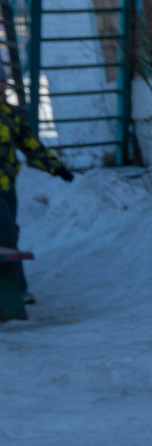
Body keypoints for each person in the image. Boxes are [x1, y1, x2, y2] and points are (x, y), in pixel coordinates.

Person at [0, 95, 70, 320]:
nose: (1, 86)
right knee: (7, 233)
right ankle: (16, 292)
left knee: (9, 236)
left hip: (6, 184)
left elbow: (29, 143)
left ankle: (13, 292)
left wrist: (54, 167)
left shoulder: (10, 114)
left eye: (3, 81)